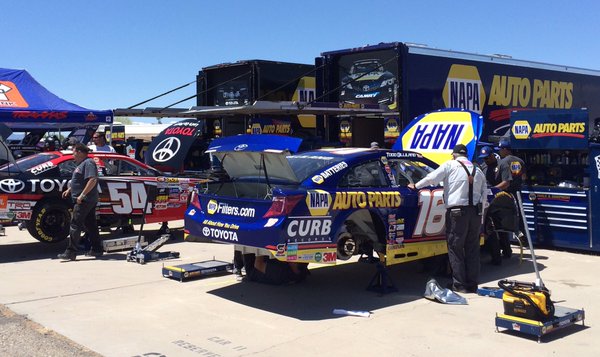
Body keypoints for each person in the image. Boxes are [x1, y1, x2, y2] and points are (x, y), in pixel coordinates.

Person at [408, 144, 487, 294]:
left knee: (455, 248)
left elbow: (431, 178)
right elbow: (484, 194)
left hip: (457, 213)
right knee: (472, 248)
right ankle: (473, 284)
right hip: (476, 213)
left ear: (454, 155)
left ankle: (459, 284)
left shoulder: (450, 165)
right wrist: (480, 214)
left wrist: (416, 186)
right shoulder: (478, 170)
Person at [57, 143, 103, 260]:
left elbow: (92, 179)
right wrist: (69, 189)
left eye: (74, 153)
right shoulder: (82, 164)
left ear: (79, 152)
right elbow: (80, 180)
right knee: (91, 225)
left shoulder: (89, 163)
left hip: (85, 200)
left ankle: (71, 252)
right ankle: (97, 249)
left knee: (75, 224)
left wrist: (82, 196)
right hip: (84, 199)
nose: (73, 155)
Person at [494, 138, 527, 259]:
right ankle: (523, 238)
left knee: (506, 221)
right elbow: (524, 177)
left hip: (507, 196)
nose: (499, 152)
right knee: (519, 217)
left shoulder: (503, 162)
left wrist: (492, 189)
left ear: (504, 149)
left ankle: (515, 239)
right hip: (518, 193)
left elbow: (506, 183)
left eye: (500, 149)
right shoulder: (520, 161)